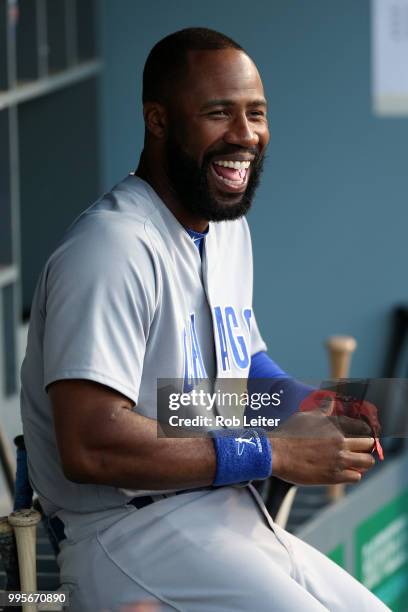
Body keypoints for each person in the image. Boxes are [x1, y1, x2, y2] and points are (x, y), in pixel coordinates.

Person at [20, 28, 388, 611]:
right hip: (126, 533)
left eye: (256, 113)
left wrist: (316, 411)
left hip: (225, 513)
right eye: (219, 113)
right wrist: (275, 453)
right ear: (159, 121)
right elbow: (89, 444)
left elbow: (240, 373)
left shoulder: (226, 229)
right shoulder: (110, 249)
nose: (245, 135)